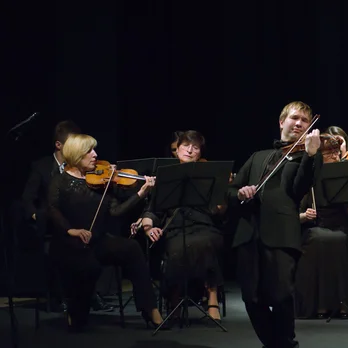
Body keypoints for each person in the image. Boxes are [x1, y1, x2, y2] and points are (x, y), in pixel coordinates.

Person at [228, 101, 322, 348]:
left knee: (281, 295)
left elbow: (299, 188)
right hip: (249, 233)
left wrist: (312, 155)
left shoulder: (306, 156)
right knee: (251, 298)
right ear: (282, 122)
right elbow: (230, 191)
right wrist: (239, 193)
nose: (299, 123)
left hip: (282, 232)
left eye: (305, 120)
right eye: (294, 118)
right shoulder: (258, 156)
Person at [47, 134, 163, 331]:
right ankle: (76, 312)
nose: (95, 155)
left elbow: (115, 211)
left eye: (94, 150)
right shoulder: (60, 181)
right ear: (76, 154)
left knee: (132, 248)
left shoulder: (102, 181)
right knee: (89, 266)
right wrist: (71, 230)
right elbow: (52, 209)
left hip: (97, 240)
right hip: (69, 243)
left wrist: (140, 193)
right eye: (89, 151)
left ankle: (150, 308)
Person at [21, 120, 113, 313]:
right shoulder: (42, 166)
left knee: (98, 234)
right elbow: (28, 197)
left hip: (81, 219)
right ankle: (63, 296)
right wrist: (36, 216)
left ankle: (89, 293)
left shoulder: (87, 168)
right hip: (54, 221)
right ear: (59, 145)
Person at [141, 130, 224, 323]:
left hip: (204, 226)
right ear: (176, 150)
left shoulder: (208, 176)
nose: (190, 150)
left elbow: (218, 210)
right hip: (175, 228)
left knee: (208, 241)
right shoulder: (165, 176)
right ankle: (174, 297)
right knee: (177, 247)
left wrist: (220, 206)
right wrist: (148, 227)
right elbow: (153, 209)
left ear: (200, 153)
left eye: (195, 147)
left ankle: (212, 299)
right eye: (185, 146)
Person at [294, 128, 348, 319]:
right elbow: (294, 214)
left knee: (338, 239)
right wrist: (305, 215)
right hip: (315, 226)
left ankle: (343, 305)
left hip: (340, 226)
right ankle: (319, 305)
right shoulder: (309, 177)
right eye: (329, 153)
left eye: (336, 153)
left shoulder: (344, 176)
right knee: (319, 239)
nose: (334, 156)